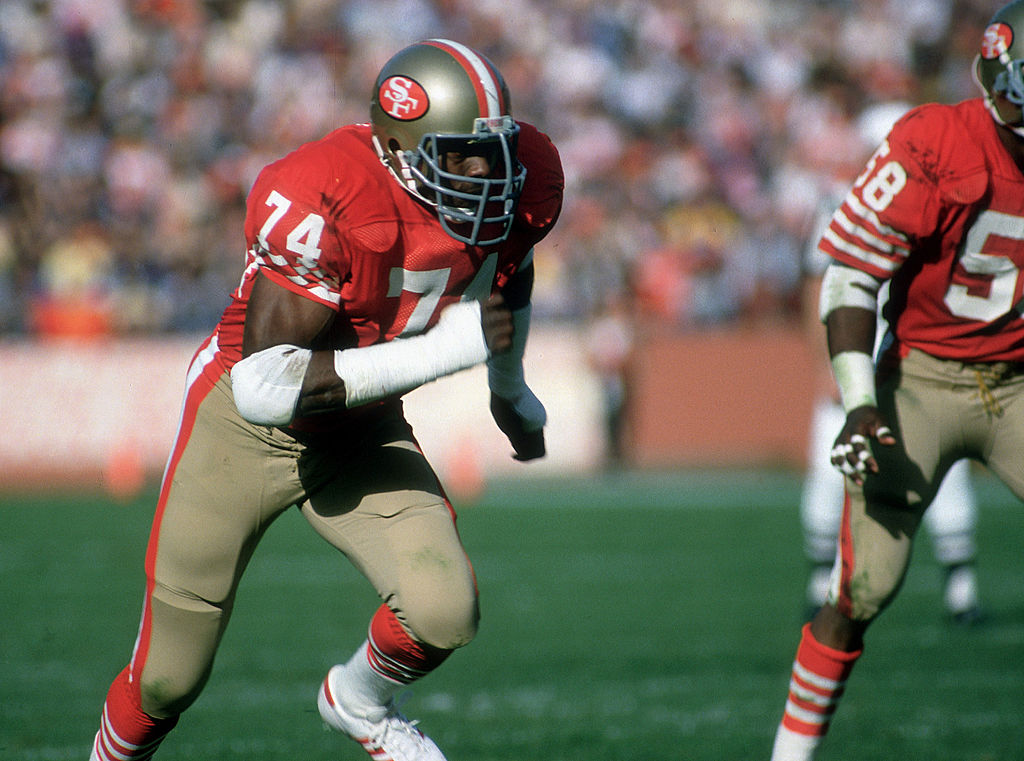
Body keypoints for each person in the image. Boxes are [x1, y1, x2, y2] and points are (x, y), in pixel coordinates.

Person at [88, 39, 563, 761]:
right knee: (167, 680)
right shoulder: (325, 189)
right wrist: (442, 353)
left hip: (361, 430)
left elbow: (510, 275)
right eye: (461, 154)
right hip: (245, 426)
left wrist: (508, 388)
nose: (485, 172)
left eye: (492, 150)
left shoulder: (520, 182)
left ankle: (360, 700)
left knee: (444, 610)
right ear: (400, 147)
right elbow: (264, 384)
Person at [770, 3, 1024, 758]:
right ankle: (790, 754)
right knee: (862, 591)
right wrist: (856, 404)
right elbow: (850, 277)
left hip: (1018, 381)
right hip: (921, 380)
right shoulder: (941, 140)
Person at [798, 102, 982, 625]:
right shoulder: (839, 200)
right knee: (830, 466)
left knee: (943, 466)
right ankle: (820, 581)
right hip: (864, 353)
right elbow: (820, 287)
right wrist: (826, 364)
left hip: (918, 355)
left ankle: (960, 587)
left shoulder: (954, 199)